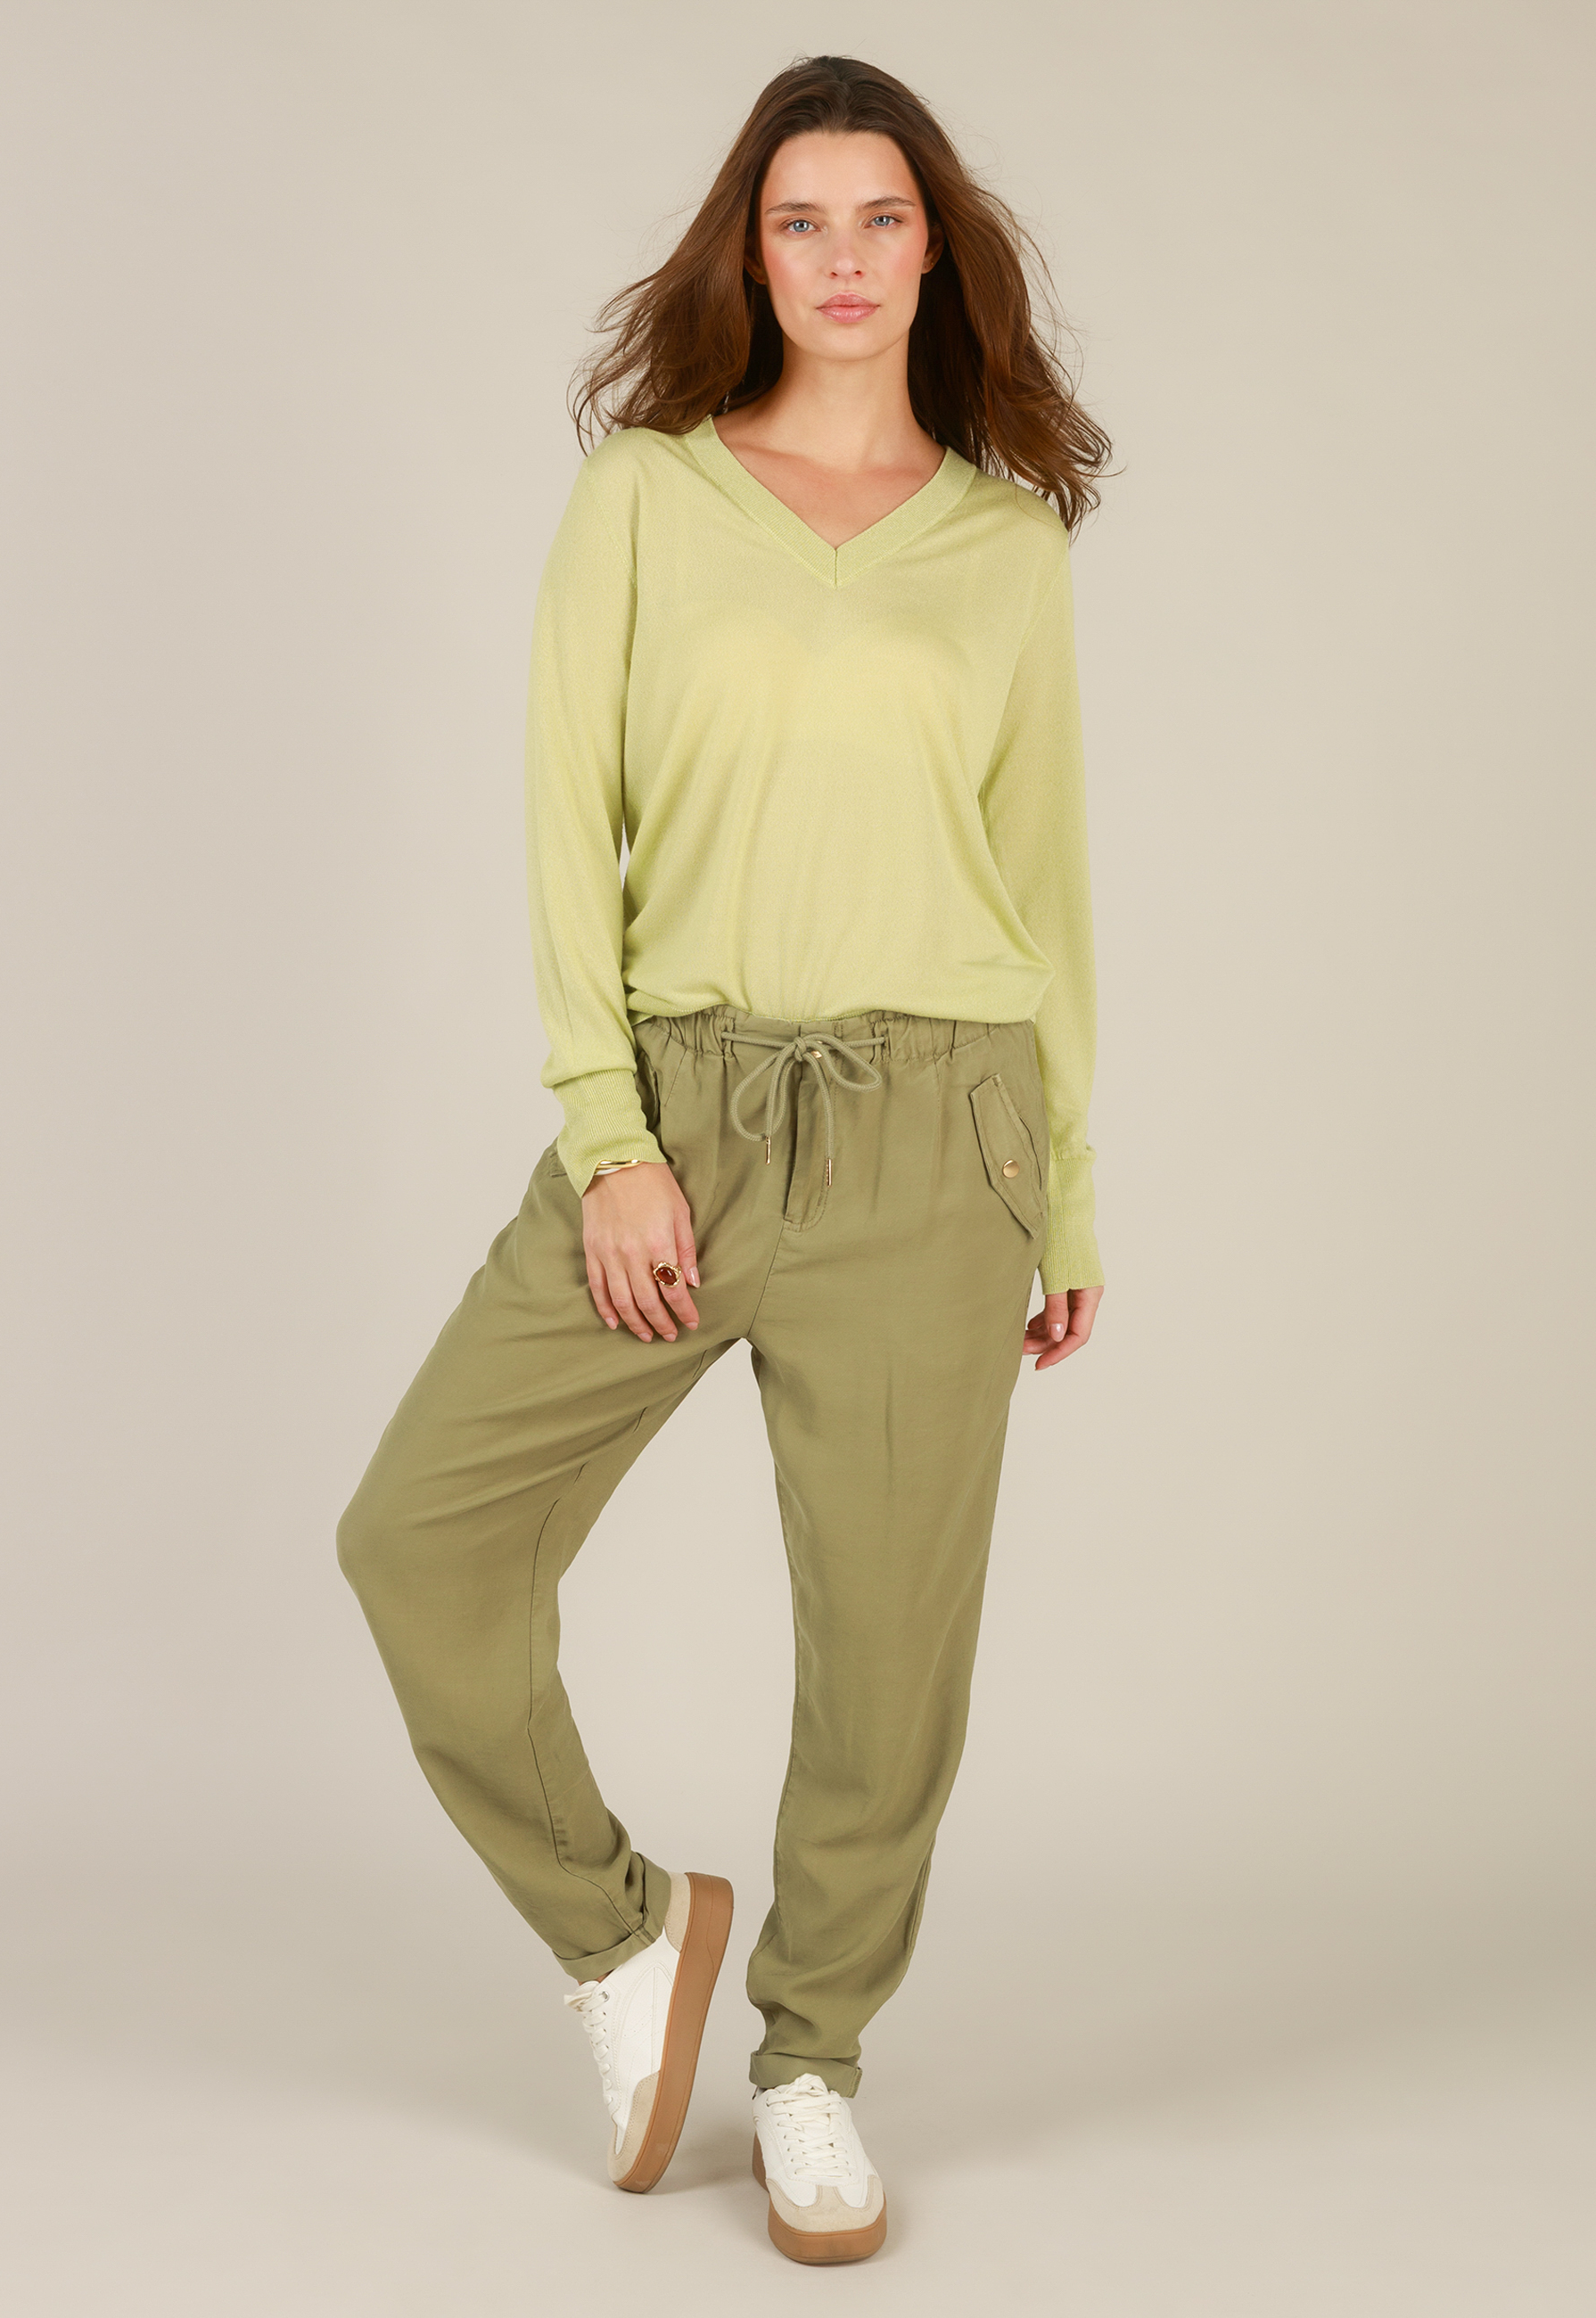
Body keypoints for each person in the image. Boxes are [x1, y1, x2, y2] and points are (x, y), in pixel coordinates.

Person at [337, 52, 1109, 2267]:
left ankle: (809, 2060)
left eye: (880, 219)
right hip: (682, 1114)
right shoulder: (647, 502)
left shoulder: (1002, 546)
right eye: (799, 222)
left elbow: (1044, 884)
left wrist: (1064, 1185)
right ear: (748, 254)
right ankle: (621, 1936)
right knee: (420, 1537)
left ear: (933, 251)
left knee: (886, 1656)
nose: (842, 258)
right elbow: (560, 822)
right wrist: (610, 1138)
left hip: (938, 1126)